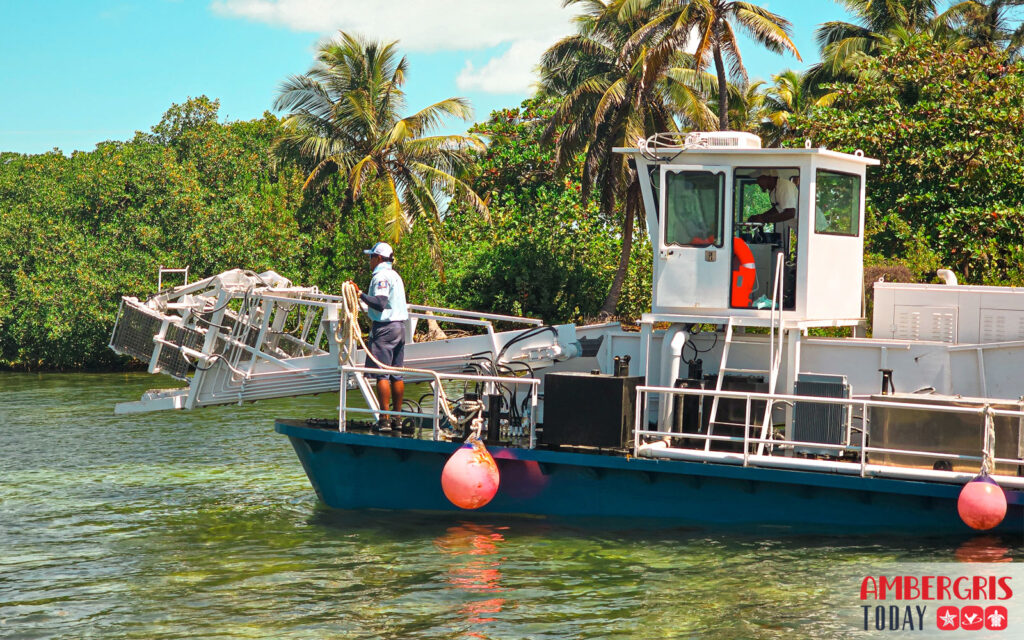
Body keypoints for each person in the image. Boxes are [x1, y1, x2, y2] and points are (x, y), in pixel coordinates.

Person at [351, 242, 409, 432]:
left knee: (381, 373)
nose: (369, 261)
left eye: (371, 257)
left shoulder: (381, 276)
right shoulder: (395, 275)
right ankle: (397, 419)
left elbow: (380, 303)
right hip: (400, 327)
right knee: (396, 374)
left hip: (385, 329)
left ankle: (384, 420)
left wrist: (360, 294)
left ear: (378, 258)